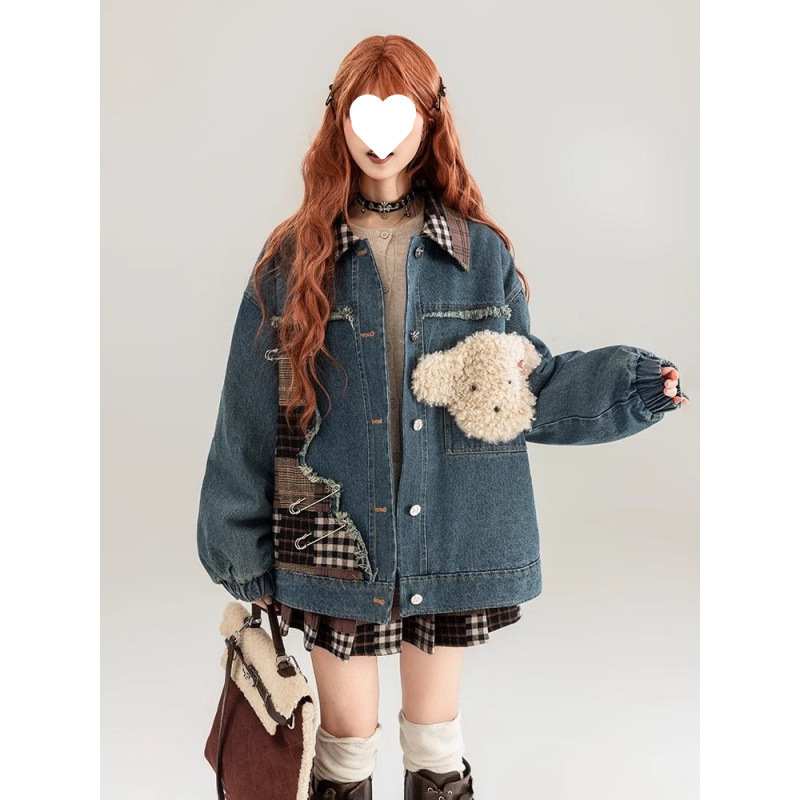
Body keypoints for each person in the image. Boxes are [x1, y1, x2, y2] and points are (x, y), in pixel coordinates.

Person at [196, 34, 689, 800]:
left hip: (446, 531)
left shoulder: (480, 257)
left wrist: (635, 387)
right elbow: (247, 412)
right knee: (344, 746)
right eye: (363, 111)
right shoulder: (293, 258)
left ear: (430, 120)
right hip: (332, 540)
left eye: (399, 111)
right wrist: (240, 552)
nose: (379, 133)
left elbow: (525, 385)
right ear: (338, 120)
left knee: (435, 741)